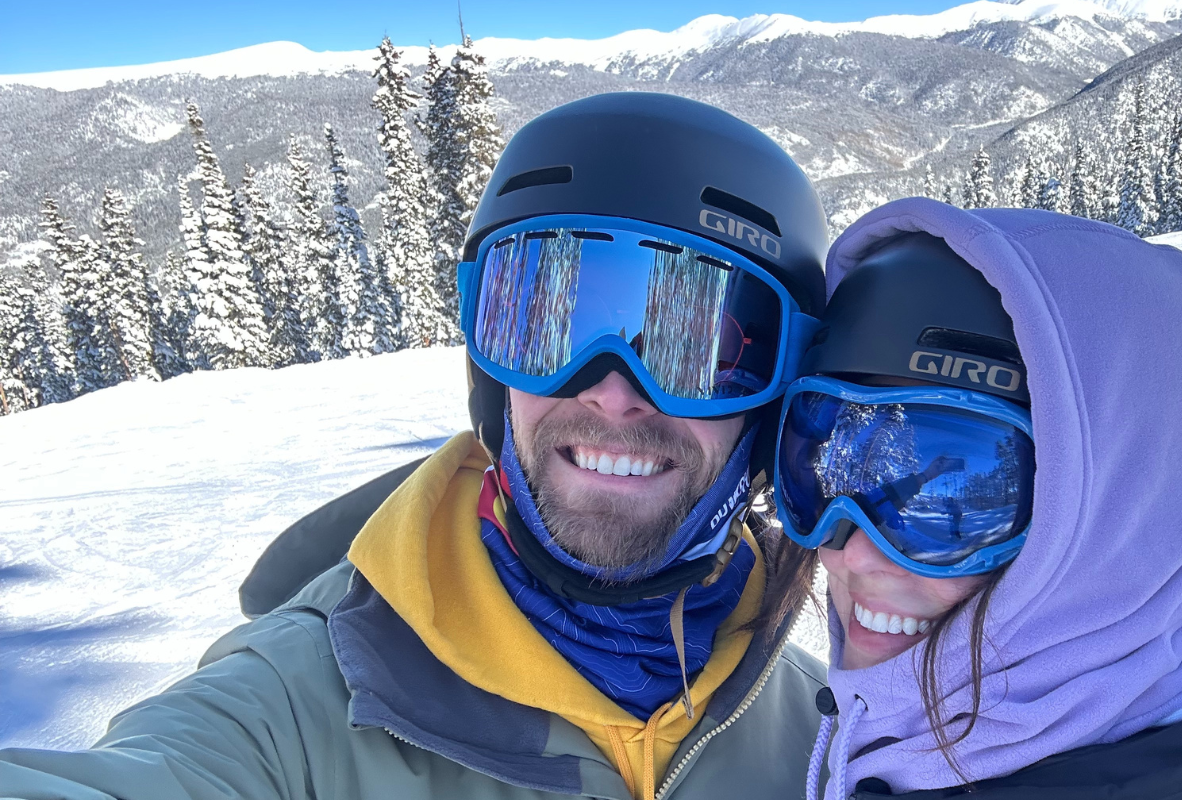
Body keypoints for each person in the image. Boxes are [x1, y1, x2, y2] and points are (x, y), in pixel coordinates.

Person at [0, 93, 832, 800]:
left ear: (776, 400)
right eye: (542, 324)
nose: (613, 391)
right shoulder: (298, 703)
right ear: (488, 373)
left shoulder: (834, 735)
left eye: (697, 350)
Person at [770, 199, 1182, 799]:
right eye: (827, 462)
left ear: (1125, 518)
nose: (851, 550)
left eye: (955, 497)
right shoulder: (926, 742)